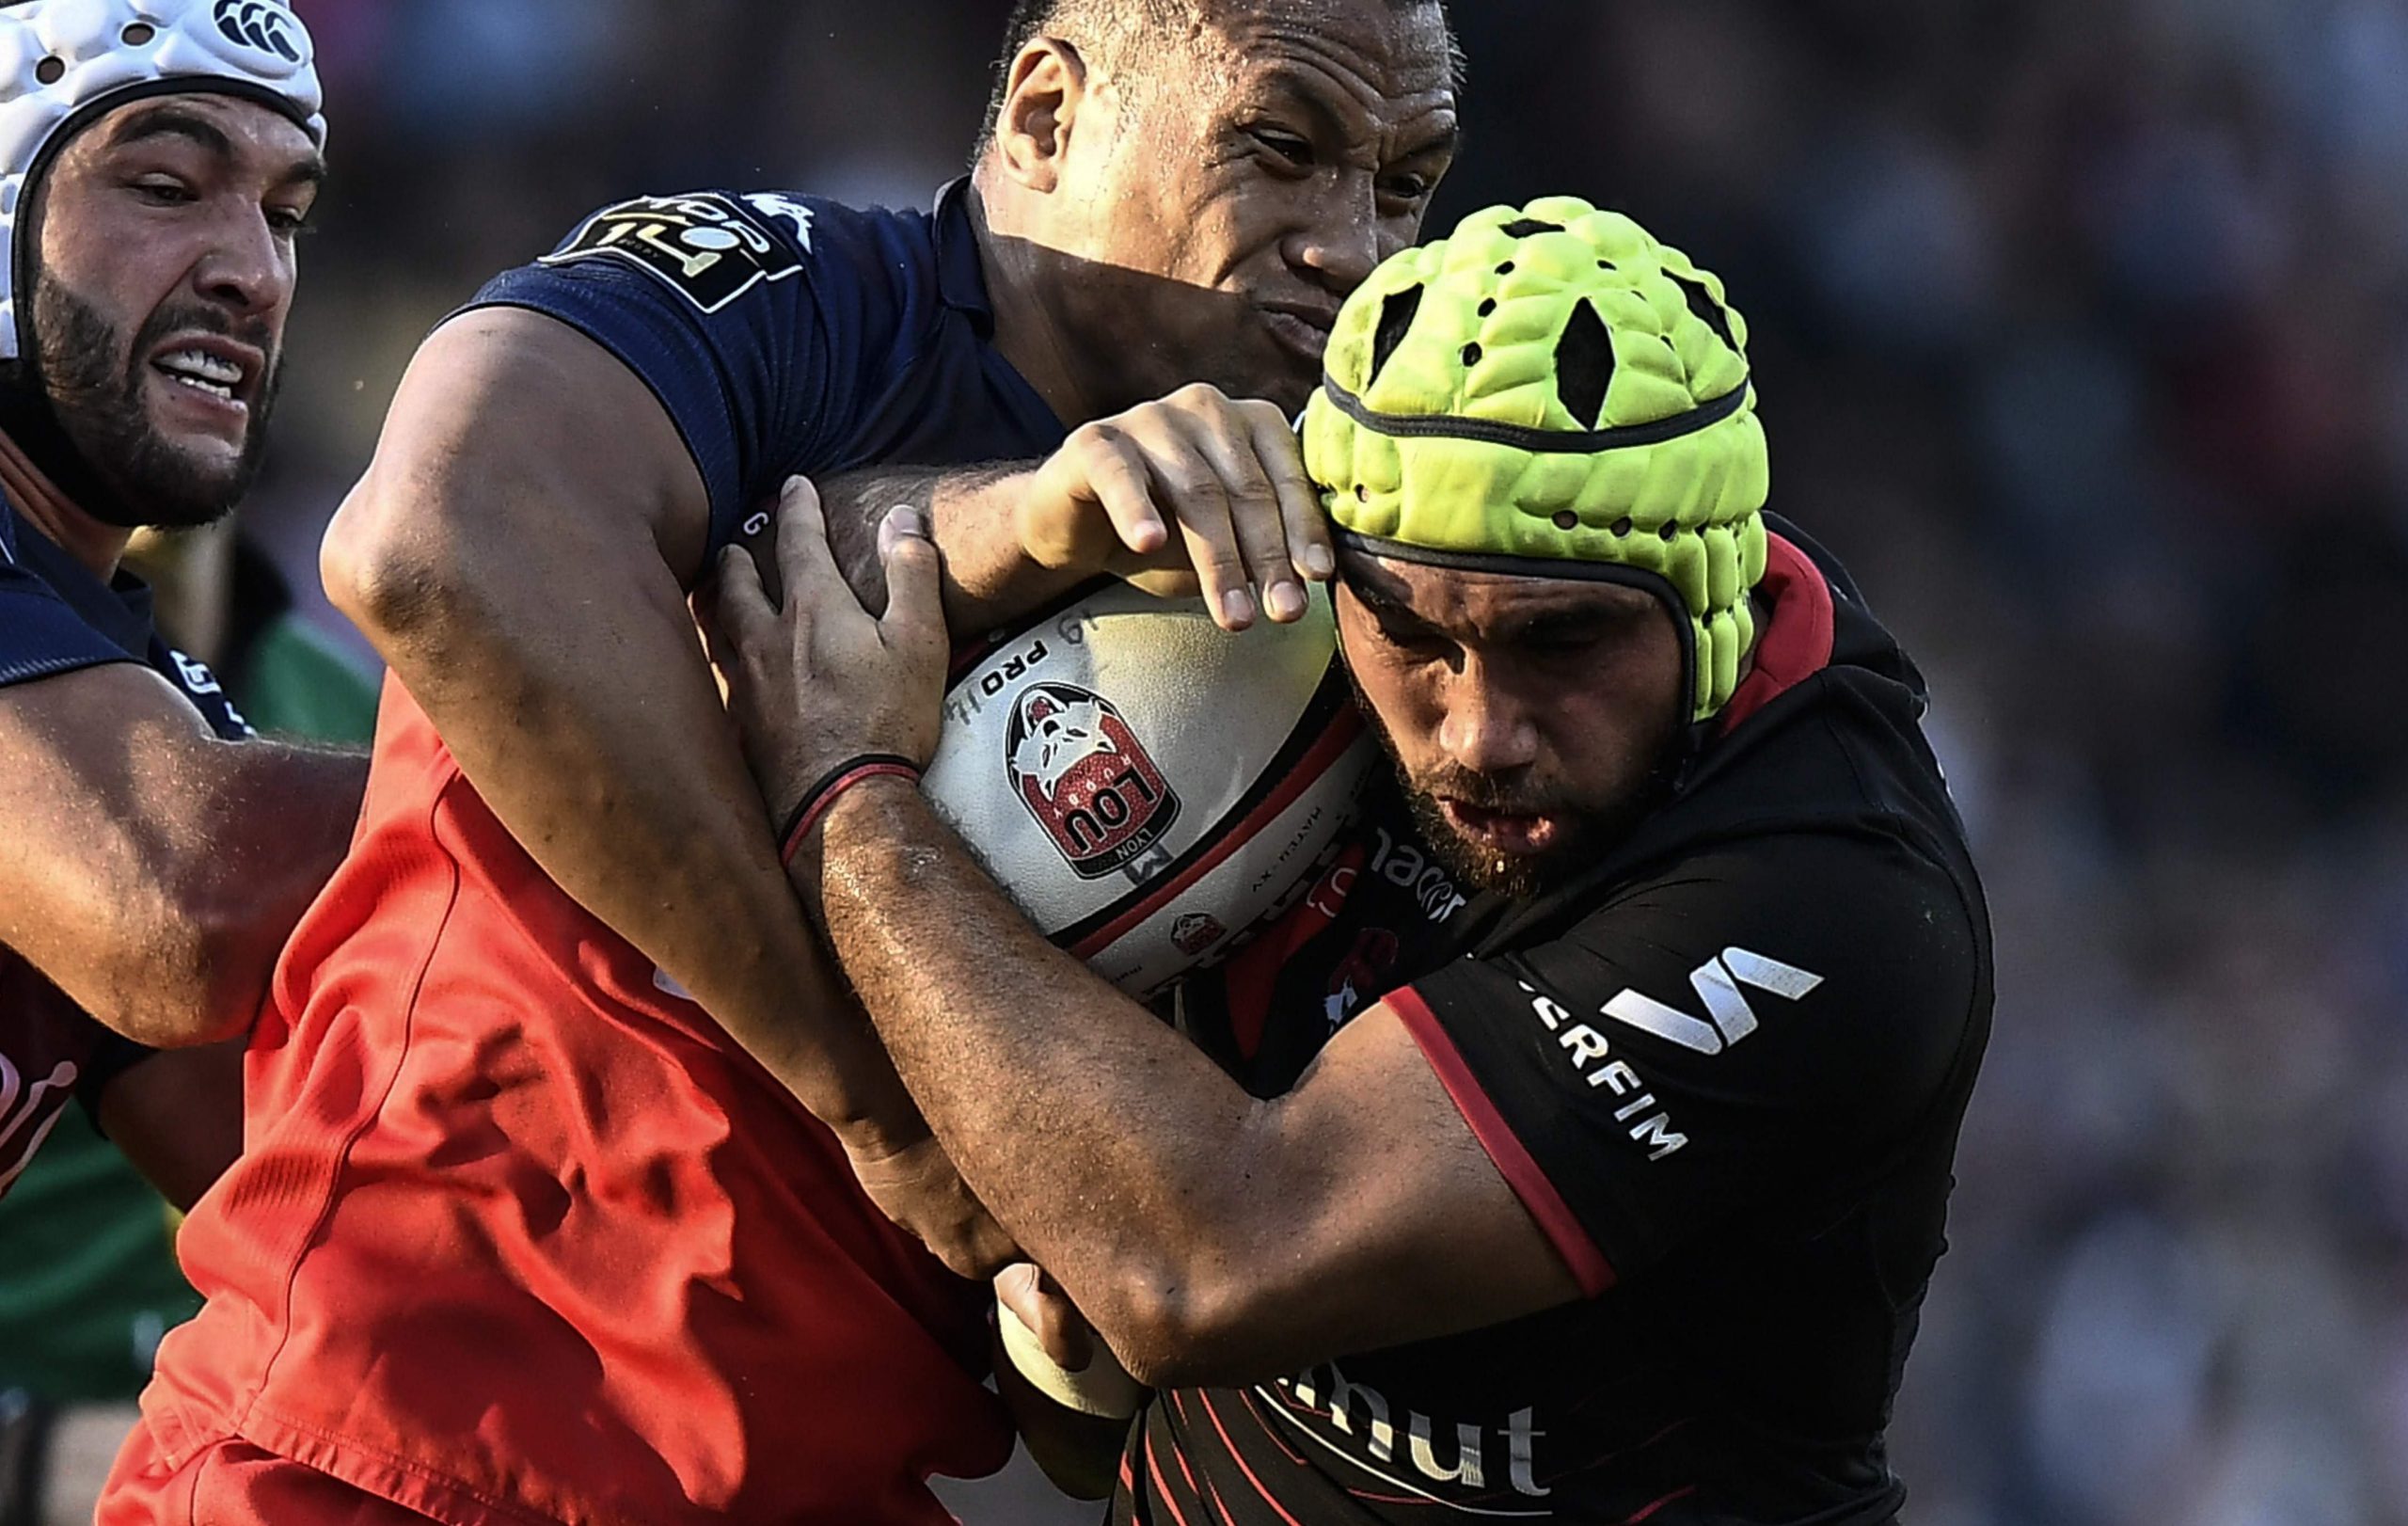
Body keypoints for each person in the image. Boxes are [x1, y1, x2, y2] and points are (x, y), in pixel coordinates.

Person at [107, 2, 1462, 1523]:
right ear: (1044, 115)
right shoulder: (785, 298)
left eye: (1404, 185)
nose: (1354, 248)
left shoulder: (1351, 623)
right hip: (392, 1447)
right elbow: (431, 540)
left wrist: (1070, 1288)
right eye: (1281, 148)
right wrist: (873, 1099)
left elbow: (1089, 1407)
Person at [705, 199, 1994, 1523]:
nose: (1480, 733)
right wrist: (1035, 518)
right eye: (1414, 636)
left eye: (1564, 643)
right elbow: (770, 567)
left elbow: (1202, 1270)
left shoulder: (1833, 900)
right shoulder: (1316, 578)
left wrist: (850, 807)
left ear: (1712, 606)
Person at [0, 0, 361, 1515]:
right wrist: (629, 731)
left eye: (285, 214)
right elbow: (182, 894)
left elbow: (320, 1208)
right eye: (165, 185)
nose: (252, 270)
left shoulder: (115, 671)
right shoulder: (132, 787)